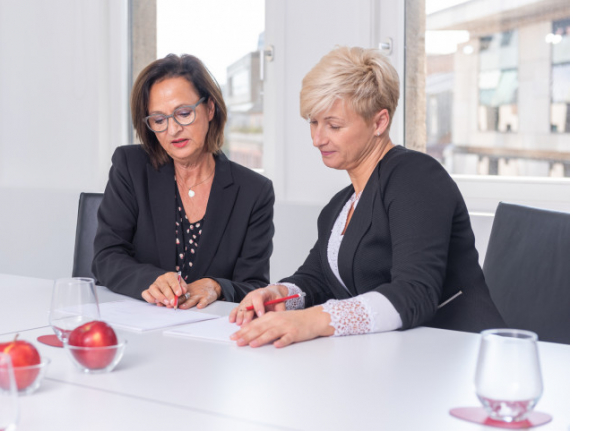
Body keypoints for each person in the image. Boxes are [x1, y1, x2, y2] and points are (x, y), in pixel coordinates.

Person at [229, 46, 505, 348]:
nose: (317, 138)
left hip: (459, 355)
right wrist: (281, 295)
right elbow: (317, 279)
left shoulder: (416, 177)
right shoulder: (341, 205)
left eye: (333, 125)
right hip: (399, 359)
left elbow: (415, 293)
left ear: (379, 122)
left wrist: (313, 320)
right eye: (313, 122)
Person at [93, 54, 274, 309]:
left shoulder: (254, 191)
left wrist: (217, 285)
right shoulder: (130, 166)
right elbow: (106, 257)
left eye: (184, 113)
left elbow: (254, 285)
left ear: (210, 108)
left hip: (211, 336)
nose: (173, 129)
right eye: (159, 119)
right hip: (138, 323)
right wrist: (153, 281)